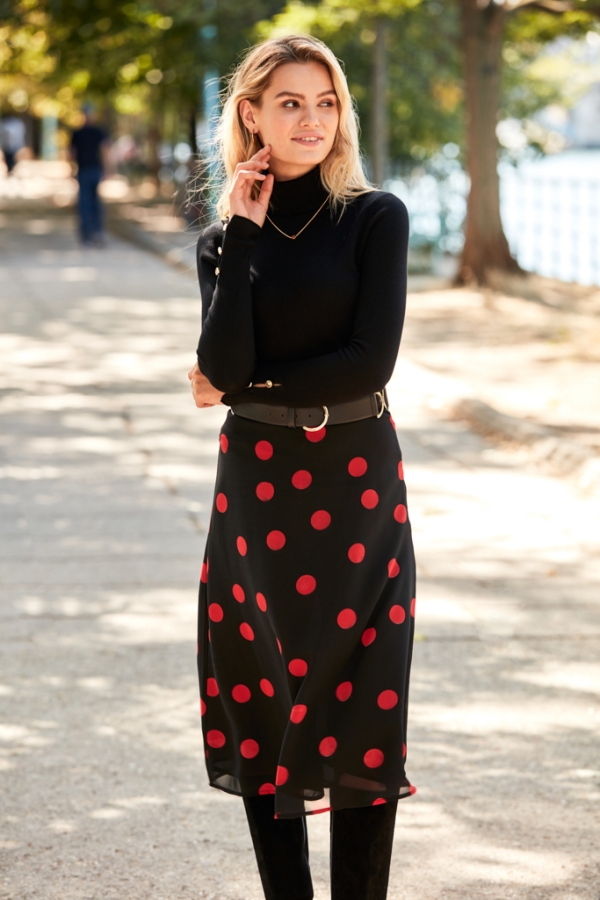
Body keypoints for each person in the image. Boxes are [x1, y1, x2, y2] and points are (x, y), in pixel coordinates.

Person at [188, 34, 416, 900]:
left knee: (365, 705)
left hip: (358, 480)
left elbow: (367, 363)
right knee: (261, 699)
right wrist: (244, 235)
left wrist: (245, 385)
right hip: (257, 488)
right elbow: (223, 358)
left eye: (325, 102)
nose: (312, 119)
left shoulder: (375, 218)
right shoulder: (224, 240)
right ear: (251, 114)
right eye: (290, 102)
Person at [70, 105, 109, 246]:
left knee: (88, 203)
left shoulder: (83, 132)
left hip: (89, 170)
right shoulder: (87, 132)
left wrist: (107, 169)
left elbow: (72, 154)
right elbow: (104, 151)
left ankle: (92, 233)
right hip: (88, 170)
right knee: (89, 203)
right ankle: (93, 233)